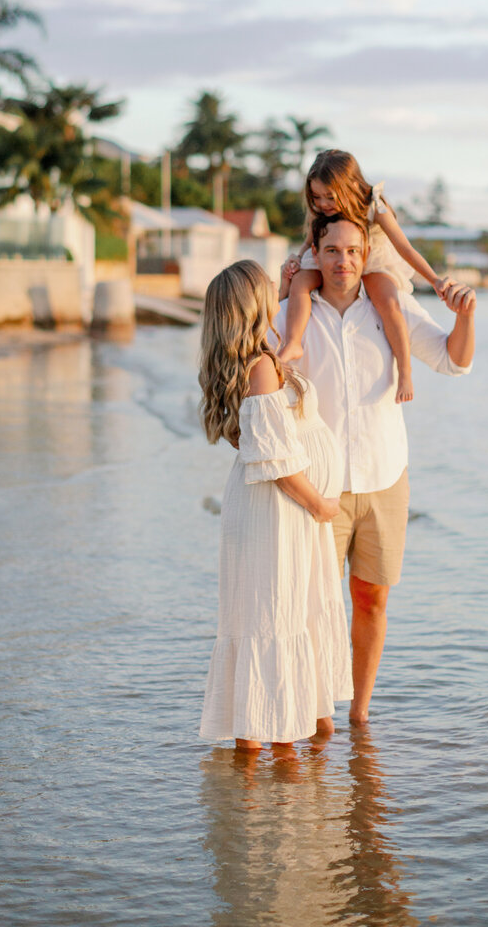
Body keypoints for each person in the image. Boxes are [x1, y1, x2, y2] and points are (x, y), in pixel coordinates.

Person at [277, 213, 476, 725]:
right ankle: (319, 715)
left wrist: (465, 316)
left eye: (353, 251)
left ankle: (359, 716)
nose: (342, 261)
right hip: (318, 487)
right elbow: (258, 377)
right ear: (315, 253)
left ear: (365, 254)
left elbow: (454, 361)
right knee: (313, 607)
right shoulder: (292, 314)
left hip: (385, 478)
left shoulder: (392, 308)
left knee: (371, 600)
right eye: (331, 250)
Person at [198, 259, 353, 752]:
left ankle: (266, 770)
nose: (274, 284)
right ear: (251, 304)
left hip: (281, 510)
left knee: (276, 618)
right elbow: (278, 462)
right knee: (273, 620)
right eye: (264, 283)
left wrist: (288, 286)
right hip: (280, 509)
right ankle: (272, 772)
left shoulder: (255, 359)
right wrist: (321, 505)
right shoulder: (261, 369)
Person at [278, 149, 452, 404]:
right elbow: (308, 243)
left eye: (330, 197)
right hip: (335, 256)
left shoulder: (374, 206)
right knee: (301, 282)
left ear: (350, 187)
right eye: (316, 197)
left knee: (388, 302)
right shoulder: (322, 212)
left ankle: (405, 370)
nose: (323, 203)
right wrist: (296, 257)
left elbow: (404, 247)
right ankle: (293, 342)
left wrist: (434, 280)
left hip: (372, 259)